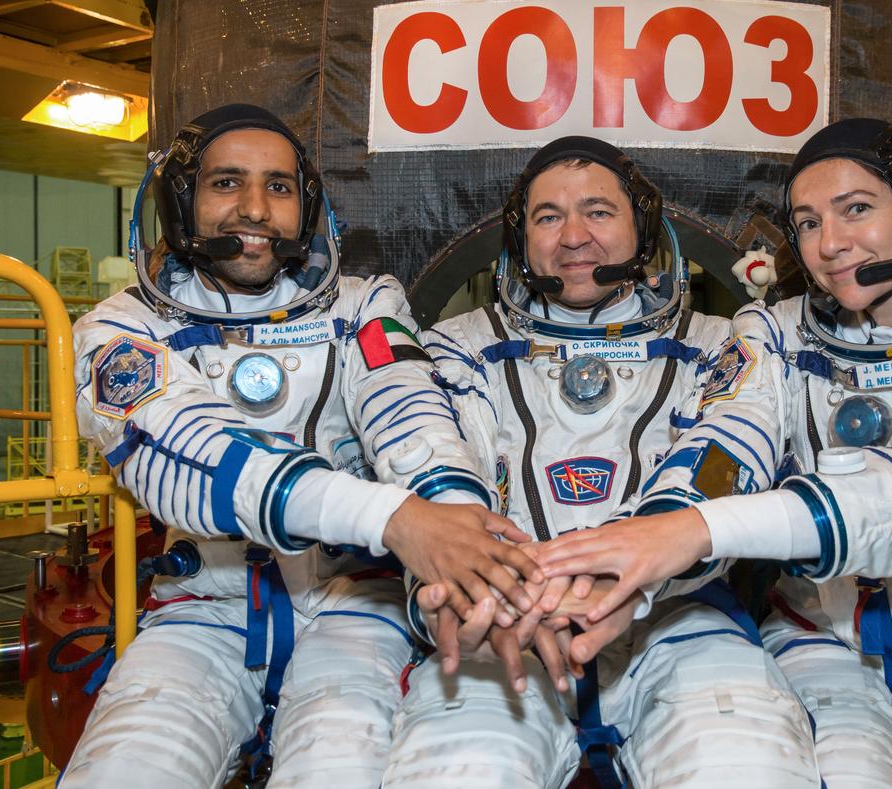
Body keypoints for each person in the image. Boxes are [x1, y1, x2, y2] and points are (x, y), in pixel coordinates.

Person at [538, 119, 892, 787]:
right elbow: (723, 450)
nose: (829, 244)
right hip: (825, 648)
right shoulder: (773, 336)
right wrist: (641, 555)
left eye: (855, 209)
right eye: (807, 223)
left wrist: (698, 529)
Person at [63, 104, 540, 788]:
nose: (255, 209)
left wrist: (462, 550)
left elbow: (415, 425)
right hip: (205, 610)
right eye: (227, 183)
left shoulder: (362, 307)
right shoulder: (124, 327)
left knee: (338, 765)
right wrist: (396, 520)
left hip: (353, 608)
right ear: (182, 200)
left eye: (279, 187)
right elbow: (199, 458)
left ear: (305, 205)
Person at [383, 136, 820, 788]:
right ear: (520, 237)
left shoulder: (717, 347)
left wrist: (634, 580)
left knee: (746, 763)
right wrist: (456, 593)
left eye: (599, 211)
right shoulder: (457, 348)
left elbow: (727, 468)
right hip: (509, 627)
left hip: (678, 622)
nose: (573, 236)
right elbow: (441, 470)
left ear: (642, 227)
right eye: (548, 217)